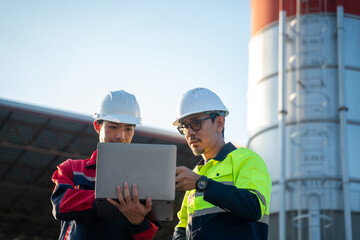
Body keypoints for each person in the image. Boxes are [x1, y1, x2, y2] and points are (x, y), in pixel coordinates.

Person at [51, 90, 160, 240]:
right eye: (113, 127)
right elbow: (60, 205)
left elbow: (148, 235)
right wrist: (108, 198)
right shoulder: (71, 169)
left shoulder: (144, 176)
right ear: (97, 126)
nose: (120, 136)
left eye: (128, 129)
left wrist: (138, 222)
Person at [172, 88, 271, 240]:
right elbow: (182, 227)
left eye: (196, 123)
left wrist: (202, 184)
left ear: (219, 123)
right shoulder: (195, 173)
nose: (189, 132)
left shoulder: (246, 159)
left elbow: (254, 207)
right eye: (184, 126)